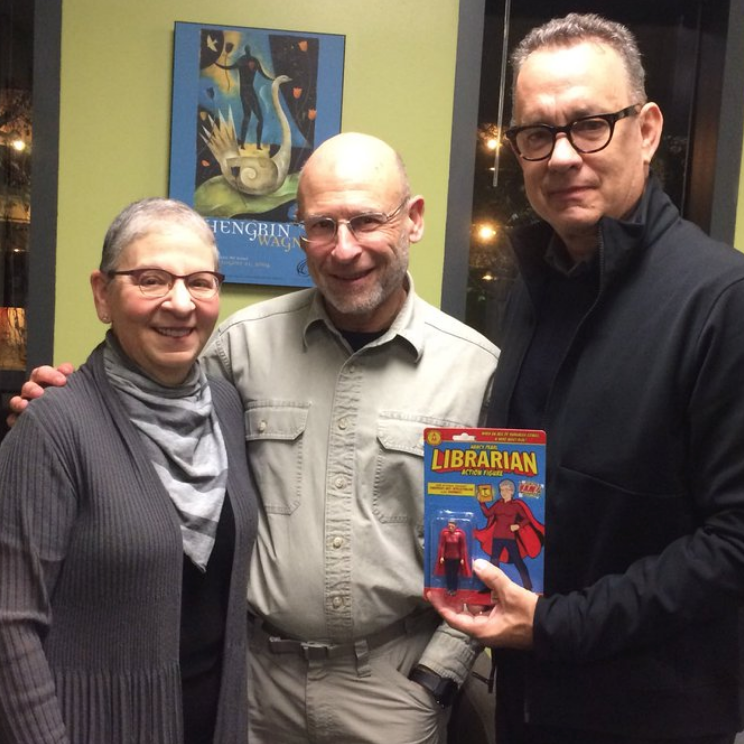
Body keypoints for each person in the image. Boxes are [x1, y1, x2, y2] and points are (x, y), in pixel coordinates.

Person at [9, 134, 500, 744]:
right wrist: (61, 400)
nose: (344, 248)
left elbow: (496, 550)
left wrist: (437, 678)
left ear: (414, 220)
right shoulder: (240, 348)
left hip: (390, 690)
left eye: (366, 221)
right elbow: (151, 405)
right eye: (322, 225)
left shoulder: (477, 372)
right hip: (249, 689)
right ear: (300, 231)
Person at [429, 12, 744, 744]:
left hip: (658, 718)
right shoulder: (531, 291)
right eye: (537, 134)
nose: (562, 156)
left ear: (649, 128)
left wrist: (555, 625)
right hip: (528, 706)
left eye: (590, 124)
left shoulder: (722, 300)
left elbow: (736, 542)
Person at [0, 198, 257, 744]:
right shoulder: (54, 425)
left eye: (201, 282)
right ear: (102, 294)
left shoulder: (228, 408)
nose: (181, 303)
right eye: (151, 279)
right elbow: (9, 622)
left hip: (214, 720)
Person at [473, 478, 543, 591]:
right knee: (493, 562)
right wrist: (481, 502)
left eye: (505, 490)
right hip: (497, 537)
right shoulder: (498, 504)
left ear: (511, 491)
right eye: (501, 490)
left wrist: (518, 526)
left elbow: (526, 519)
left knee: (518, 561)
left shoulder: (516, 506)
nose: (503, 492)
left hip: (510, 537)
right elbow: (487, 514)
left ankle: (528, 586)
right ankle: (490, 587)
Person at [436, 519, 472, 595]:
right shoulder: (445, 534)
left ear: (455, 526)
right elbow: (442, 546)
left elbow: (463, 547)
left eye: (452, 526)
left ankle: (454, 589)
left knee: (454, 574)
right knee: (448, 574)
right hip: (447, 557)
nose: (450, 528)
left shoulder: (459, 534)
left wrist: (462, 558)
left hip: (456, 558)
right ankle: (449, 589)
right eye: (449, 526)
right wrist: (441, 556)